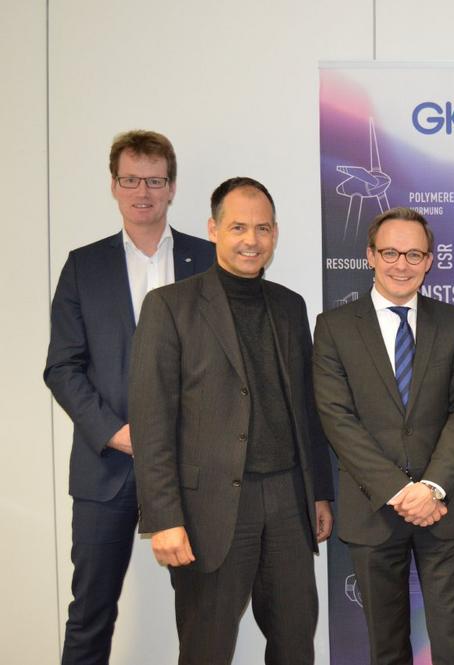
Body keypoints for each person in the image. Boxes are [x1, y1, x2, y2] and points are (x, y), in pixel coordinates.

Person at [128, 177, 335, 665]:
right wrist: (165, 518)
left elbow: (306, 408)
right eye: (238, 227)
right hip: (212, 510)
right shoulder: (169, 306)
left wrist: (319, 492)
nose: (251, 240)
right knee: (207, 647)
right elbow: (151, 420)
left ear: (275, 233)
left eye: (262, 228)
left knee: (295, 642)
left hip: (287, 500)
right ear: (213, 229)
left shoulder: (290, 306)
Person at [44, 130, 215, 665]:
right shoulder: (84, 266)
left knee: (202, 616)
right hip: (106, 467)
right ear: (114, 185)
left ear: (172, 187)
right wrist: (118, 434)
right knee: (90, 613)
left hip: (192, 467)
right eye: (131, 180)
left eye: (155, 181)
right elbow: (62, 367)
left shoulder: (209, 260)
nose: (143, 192)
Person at [313, 207, 454, 664]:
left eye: (413, 254)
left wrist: (431, 488)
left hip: (442, 508)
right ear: (370, 255)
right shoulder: (334, 327)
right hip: (373, 509)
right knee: (386, 647)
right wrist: (400, 491)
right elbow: (337, 418)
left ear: (429, 261)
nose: (401, 264)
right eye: (390, 252)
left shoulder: (453, 323)